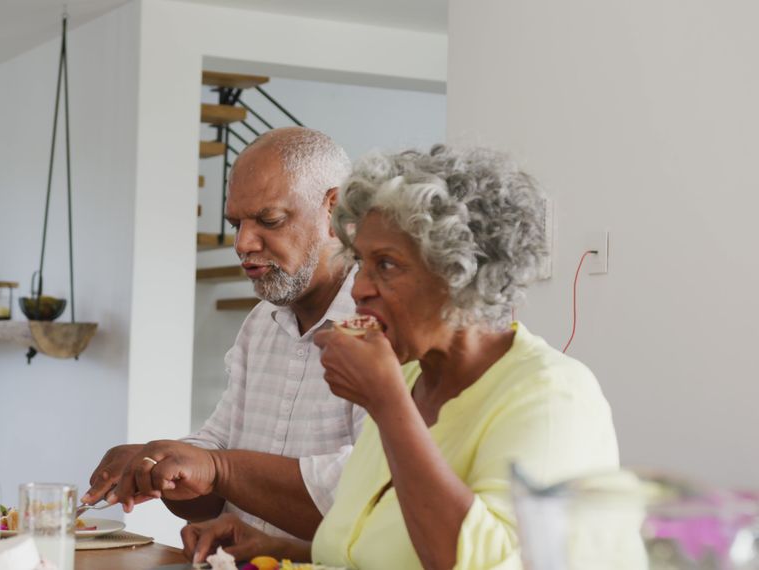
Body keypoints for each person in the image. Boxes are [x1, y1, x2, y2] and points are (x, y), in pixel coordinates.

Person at [181, 145, 620, 568]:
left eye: (385, 265)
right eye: (361, 262)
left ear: (461, 272)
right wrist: (278, 548)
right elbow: (375, 552)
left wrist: (388, 405)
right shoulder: (410, 376)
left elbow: (485, 564)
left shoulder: (551, 396)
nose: (359, 288)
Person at [82, 127, 365, 539]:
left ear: (335, 211)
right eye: (236, 223)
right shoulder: (260, 323)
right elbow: (216, 459)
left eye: (269, 220)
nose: (243, 242)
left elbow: (368, 492)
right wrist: (158, 465)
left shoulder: (383, 325)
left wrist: (216, 469)